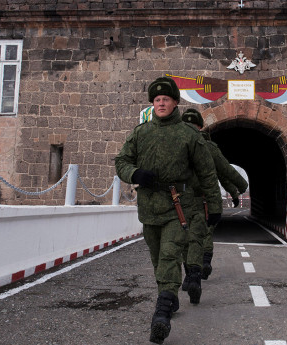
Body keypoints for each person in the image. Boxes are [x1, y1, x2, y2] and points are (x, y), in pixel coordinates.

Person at [115, 77, 222, 344]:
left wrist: (215, 206)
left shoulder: (189, 135)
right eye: (157, 100)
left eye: (166, 99)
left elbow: (207, 172)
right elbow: (122, 161)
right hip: (149, 208)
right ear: (153, 103)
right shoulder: (141, 133)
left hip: (179, 207)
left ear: (175, 102)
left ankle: (161, 314)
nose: (161, 103)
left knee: (170, 257)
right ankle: (170, 296)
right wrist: (134, 172)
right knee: (157, 259)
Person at [181, 109, 248, 281]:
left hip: (182, 200)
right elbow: (224, 172)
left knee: (187, 236)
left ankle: (191, 271)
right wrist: (239, 187)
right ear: (200, 126)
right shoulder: (208, 147)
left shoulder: (177, 145)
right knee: (205, 232)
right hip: (204, 199)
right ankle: (203, 263)